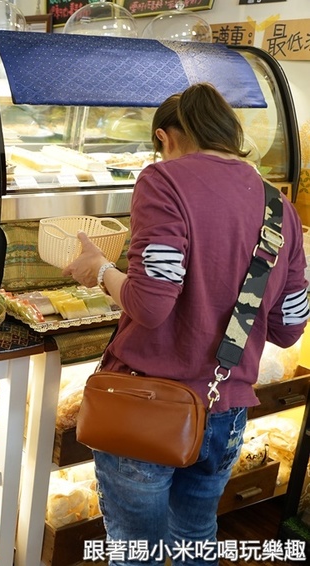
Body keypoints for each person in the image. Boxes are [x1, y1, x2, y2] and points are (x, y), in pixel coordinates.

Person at [62, 82, 308, 565]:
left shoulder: (164, 180)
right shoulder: (279, 206)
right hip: (225, 408)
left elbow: (150, 305)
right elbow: (288, 327)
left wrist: (100, 271)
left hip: (147, 405)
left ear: (164, 137)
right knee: (195, 536)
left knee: (137, 549)